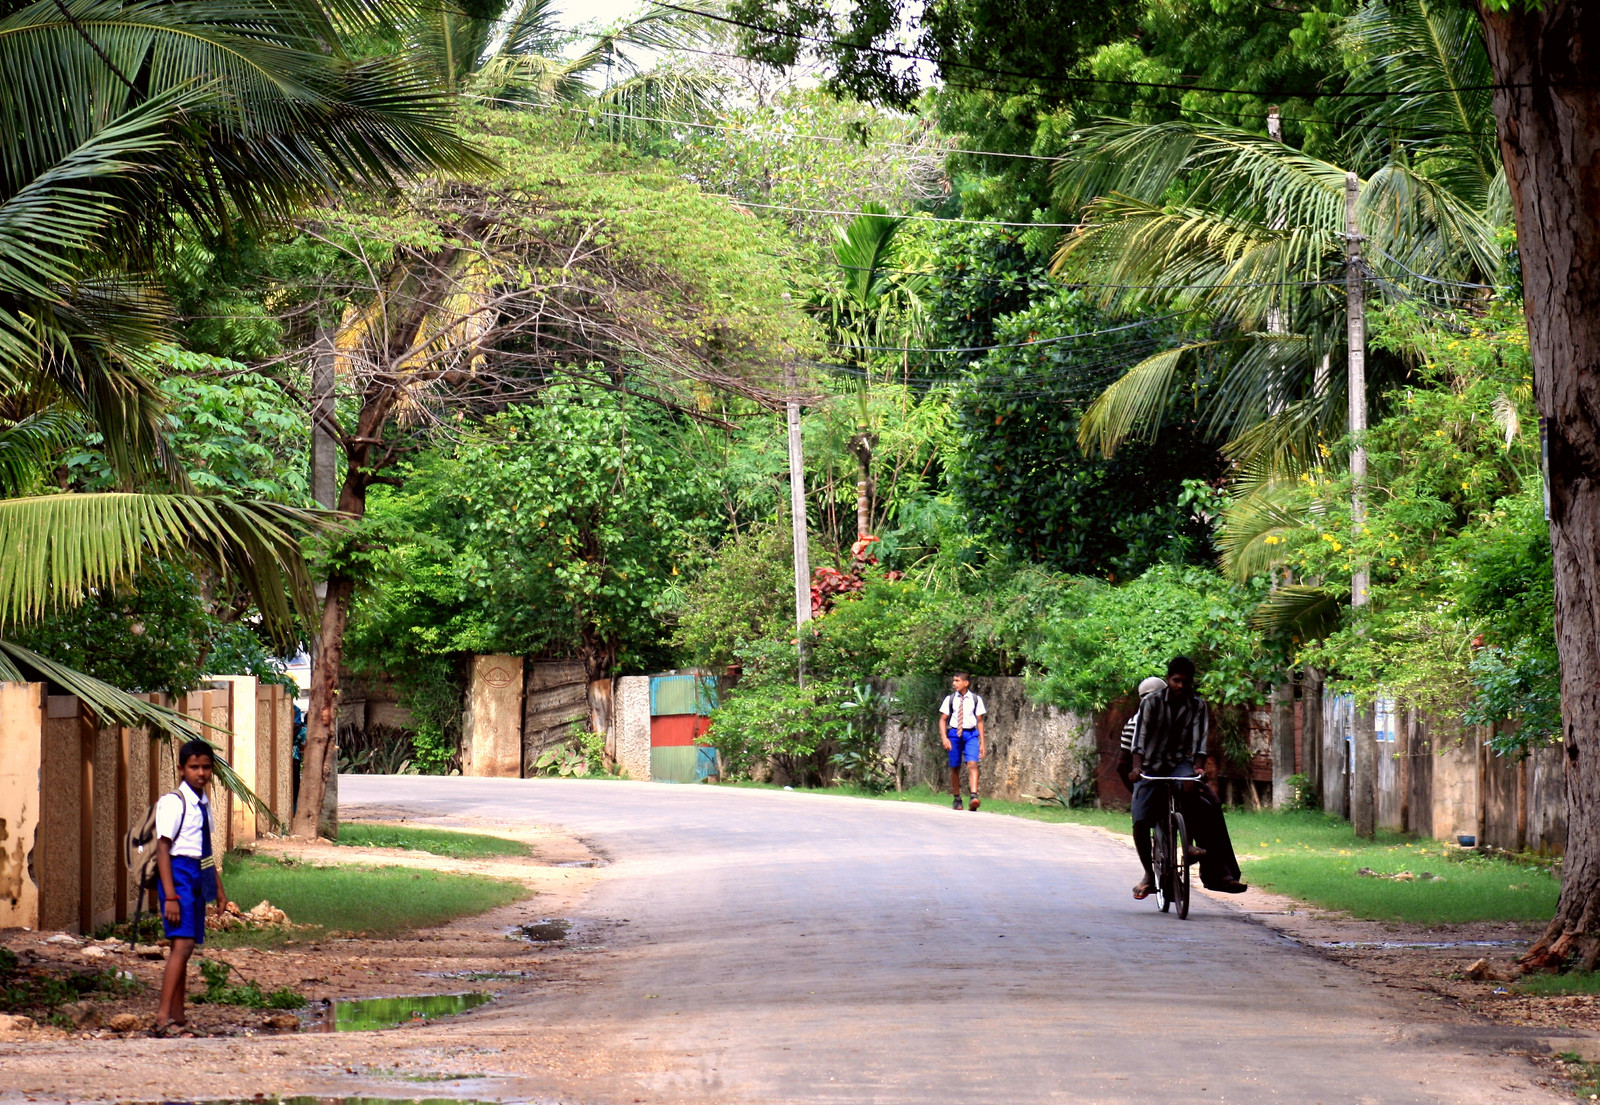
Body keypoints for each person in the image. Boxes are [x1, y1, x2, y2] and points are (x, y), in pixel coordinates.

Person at [1129, 657, 1248, 897]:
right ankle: (1147, 874)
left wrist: (1199, 768)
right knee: (1140, 820)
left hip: (1179, 763)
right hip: (1151, 766)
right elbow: (1138, 741)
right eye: (1176, 681)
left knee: (1191, 787)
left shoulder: (1197, 705)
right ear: (1169, 680)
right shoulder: (1151, 703)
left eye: (1186, 681)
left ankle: (1190, 843)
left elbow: (1199, 741)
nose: (1181, 686)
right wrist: (1136, 769)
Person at [153, 739, 230, 1035]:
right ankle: (162, 1017)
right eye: (194, 767)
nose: (200, 773)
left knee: (184, 947)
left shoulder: (204, 803)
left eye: (206, 767)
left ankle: (179, 1017)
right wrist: (170, 895)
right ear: (182, 769)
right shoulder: (174, 802)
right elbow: (163, 849)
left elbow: (206, 851)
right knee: (182, 945)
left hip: (199, 873)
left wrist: (218, 890)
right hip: (178, 874)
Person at [939, 672, 986, 811]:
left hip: (971, 734)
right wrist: (944, 737)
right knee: (955, 767)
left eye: (957, 681)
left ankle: (973, 796)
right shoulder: (950, 699)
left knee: (972, 763)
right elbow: (942, 719)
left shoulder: (976, 699)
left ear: (966, 683)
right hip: (954, 733)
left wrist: (982, 743)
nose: (954, 683)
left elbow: (980, 721)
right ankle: (957, 798)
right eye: (954, 681)